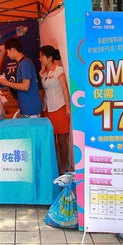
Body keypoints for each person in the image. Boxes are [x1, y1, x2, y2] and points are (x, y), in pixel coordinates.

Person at [38, 45, 72, 174]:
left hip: (59, 107)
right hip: (47, 108)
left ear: (50, 58)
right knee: (50, 140)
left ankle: (63, 167)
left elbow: (65, 89)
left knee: (62, 140)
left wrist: (68, 107)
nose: (40, 59)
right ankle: (53, 166)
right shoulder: (42, 72)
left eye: (42, 56)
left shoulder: (58, 70)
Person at [0, 38, 41, 117]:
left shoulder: (25, 63)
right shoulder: (21, 63)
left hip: (30, 108)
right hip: (25, 108)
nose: (7, 55)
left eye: (7, 51)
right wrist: (10, 94)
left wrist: (7, 83)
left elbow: (25, 86)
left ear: (13, 49)